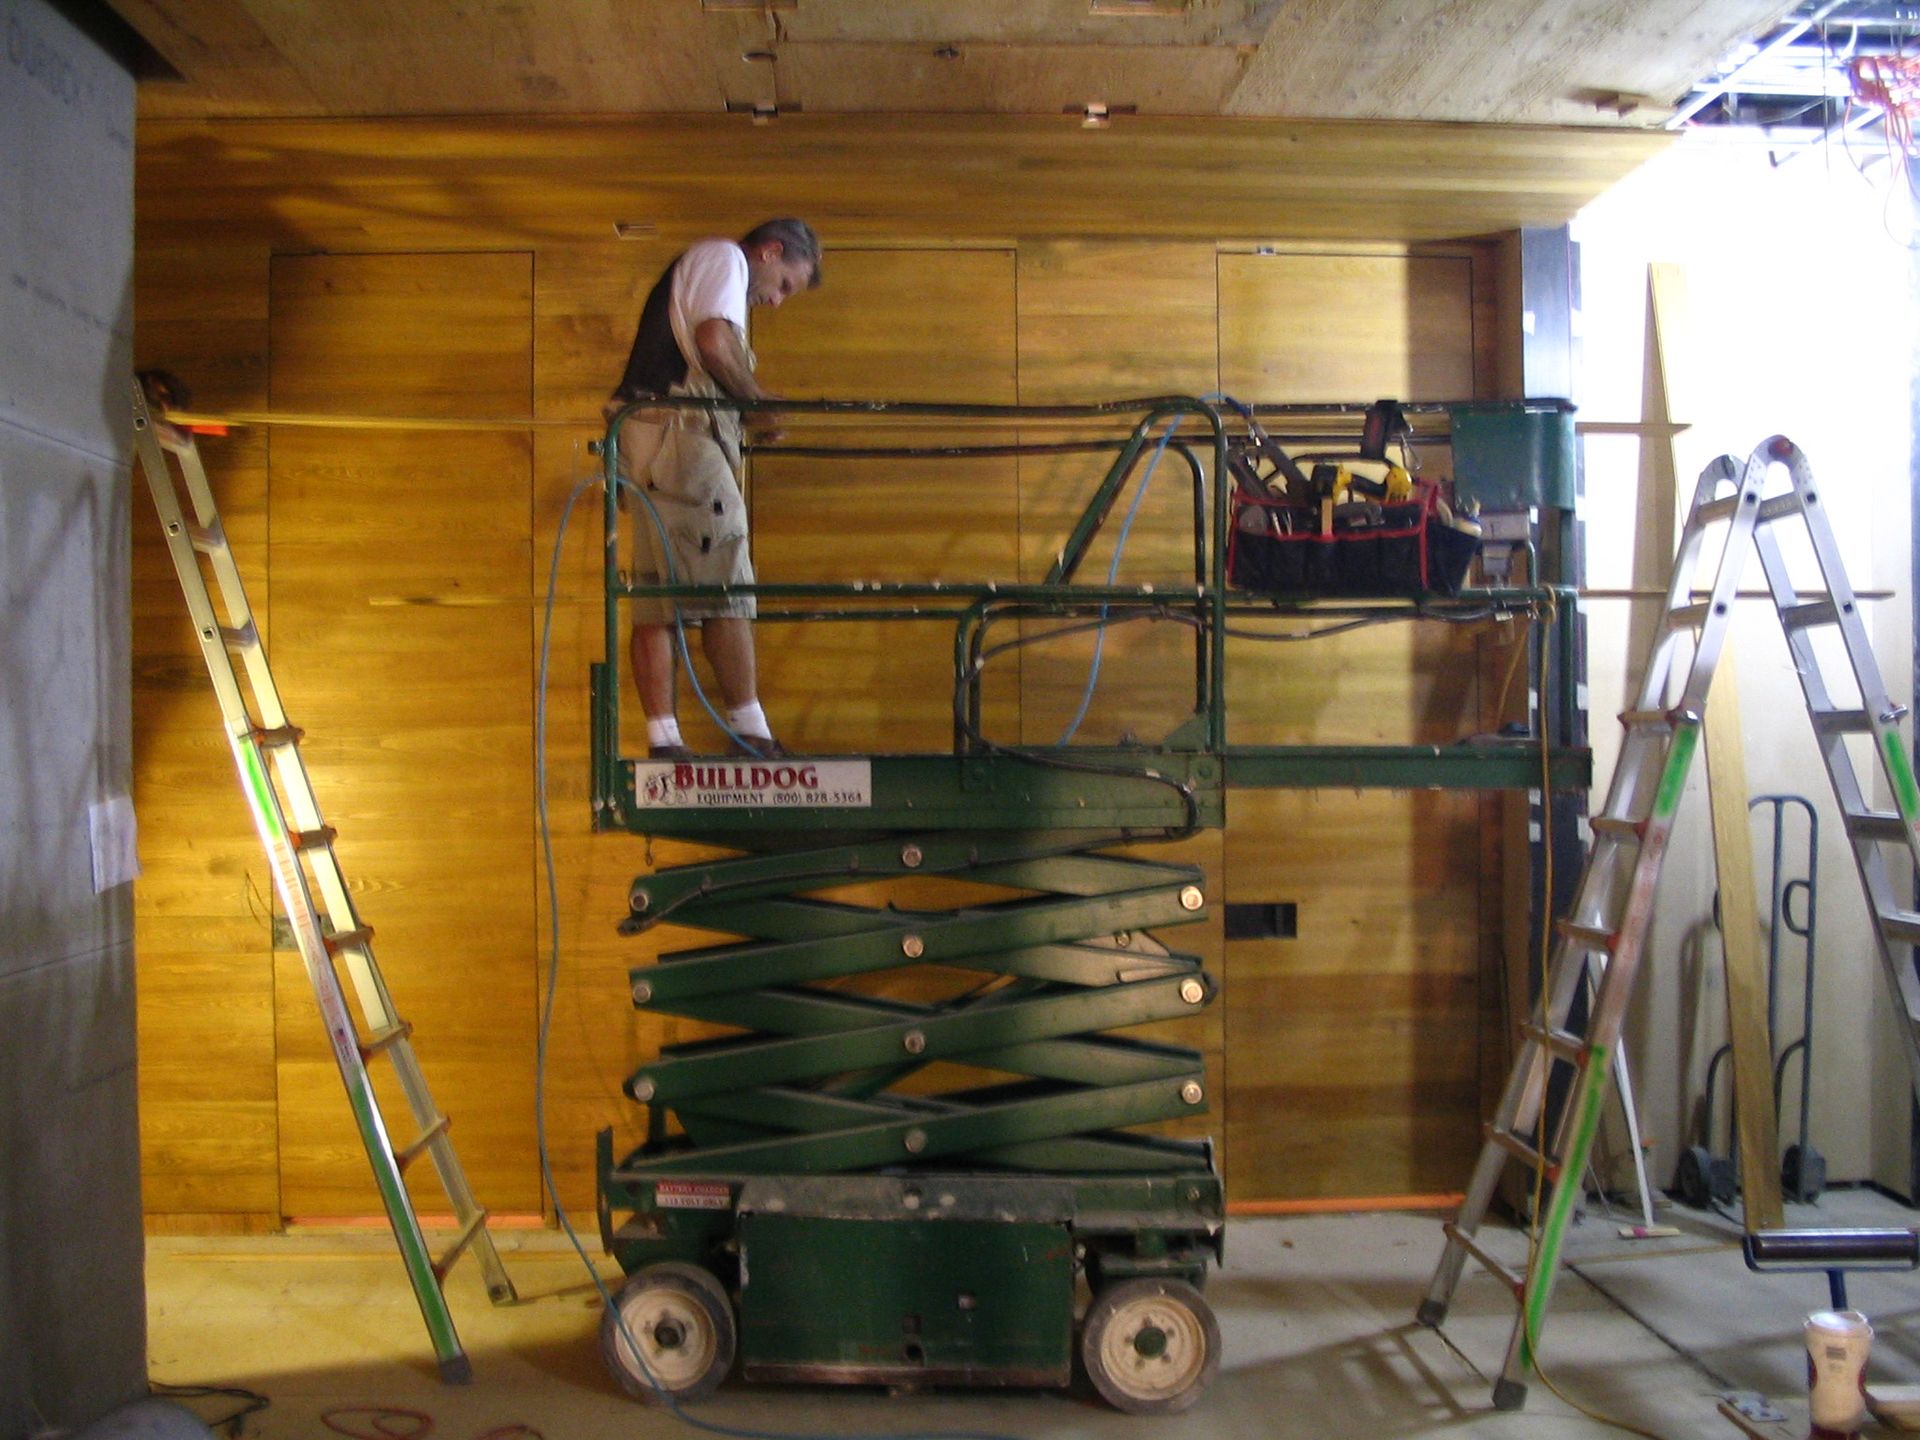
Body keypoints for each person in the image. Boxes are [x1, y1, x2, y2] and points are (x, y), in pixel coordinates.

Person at [605, 218, 821, 761]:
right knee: (728, 577)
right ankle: (751, 733)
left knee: (657, 597)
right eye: (785, 286)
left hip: (643, 436)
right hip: (684, 436)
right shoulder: (727, 259)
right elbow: (713, 341)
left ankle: (665, 739)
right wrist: (760, 405)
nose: (775, 301)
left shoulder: (698, 266)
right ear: (770, 252)